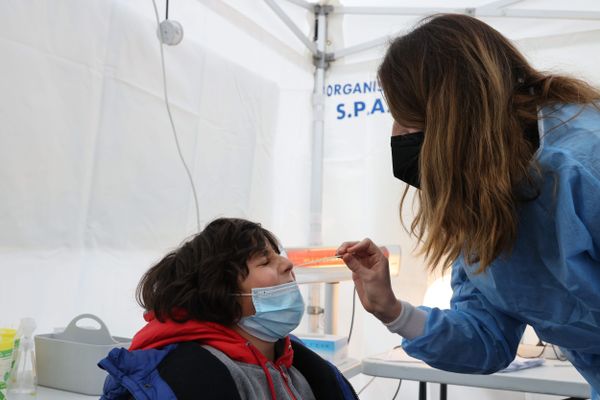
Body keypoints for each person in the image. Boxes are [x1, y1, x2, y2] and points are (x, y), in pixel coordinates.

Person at [337, 13, 600, 398]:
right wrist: (394, 312)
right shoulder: (483, 195)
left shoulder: (584, 161)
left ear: (453, 113)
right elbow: (487, 338)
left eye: (409, 122)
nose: (398, 136)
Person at [99, 217, 358, 400]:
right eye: (265, 261)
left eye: (279, 255)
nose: (287, 264)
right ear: (221, 292)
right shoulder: (190, 378)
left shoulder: (295, 365)